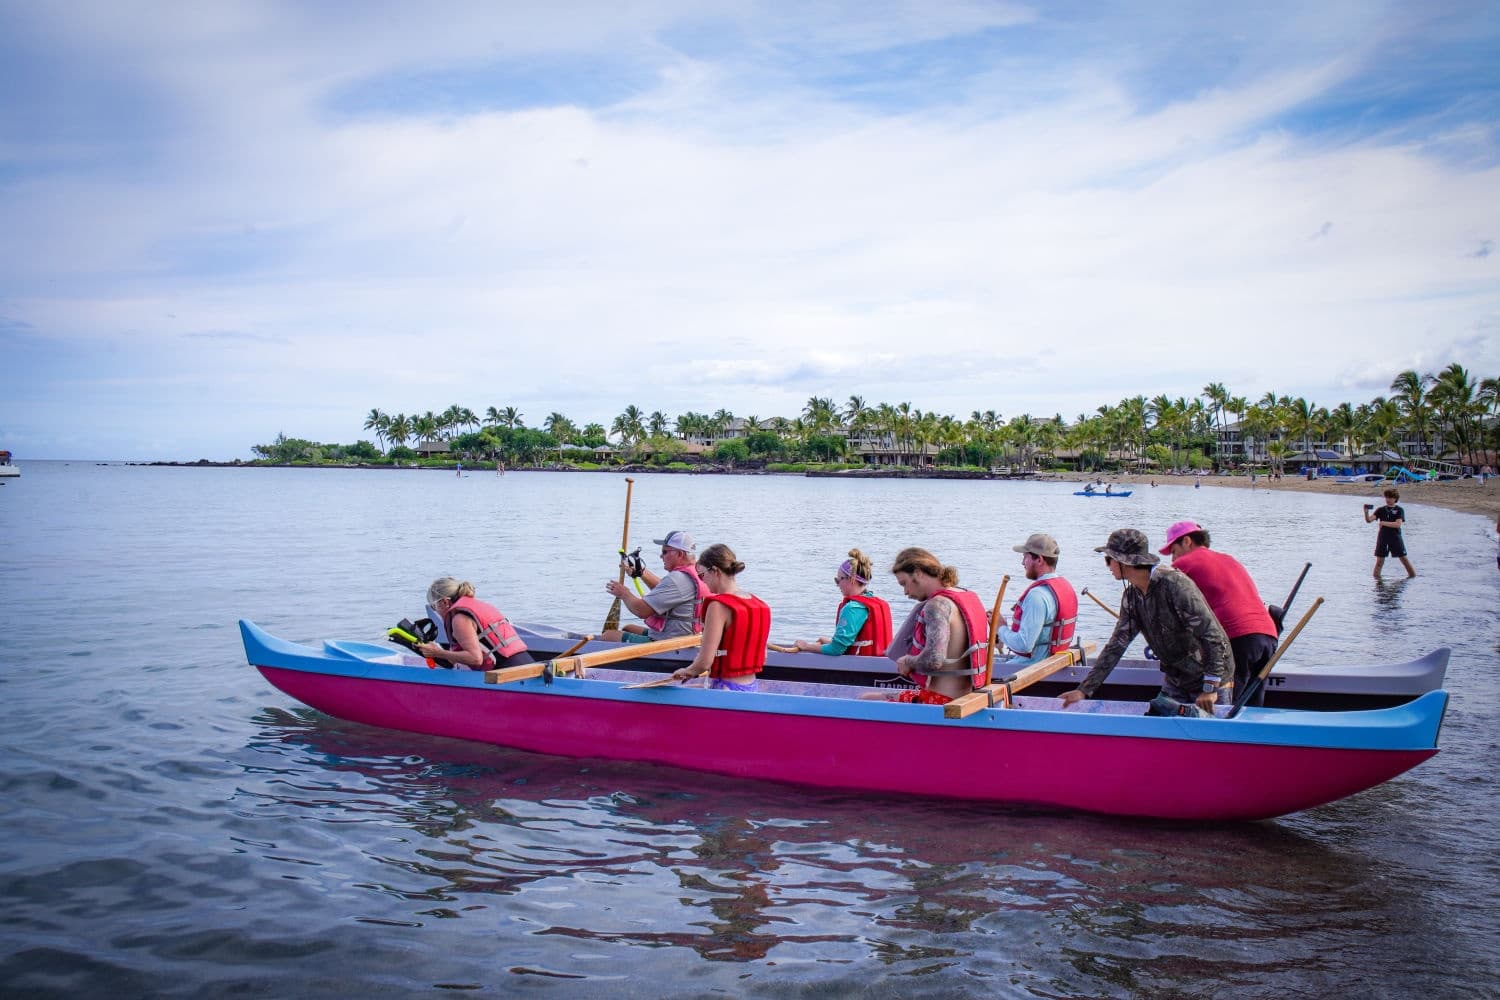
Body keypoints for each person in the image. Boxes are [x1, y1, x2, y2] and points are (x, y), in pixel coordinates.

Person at [1059, 529, 1233, 716]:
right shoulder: (1132, 596)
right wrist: (1084, 690)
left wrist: (1210, 688)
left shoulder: (1175, 585)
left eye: (1109, 559)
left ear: (1123, 561)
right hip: (1176, 678)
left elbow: (1213, 637)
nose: (1108, 566)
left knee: (1211, 735)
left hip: (1211, 677)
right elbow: (1117, 645)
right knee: (1162, 728)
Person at [1159, 520, 1278, 706]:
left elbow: (1161, 603)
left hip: (1237, 638)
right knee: (1252, 705)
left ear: (1187, 541)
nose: (1173, 559)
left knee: (1228, 705)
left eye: (1173, 551)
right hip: (1268, 636)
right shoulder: (1229, 559)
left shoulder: (1184, 564)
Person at [876, 548, 990, 705]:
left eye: (904, 583)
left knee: (866, 699)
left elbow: (934, 659)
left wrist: (907, 661)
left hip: (943, 701)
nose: (905, 592)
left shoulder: (937, 605)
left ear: (918, 573)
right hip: (970, 698)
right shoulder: (967, 595)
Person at [670, 544, 772, 690]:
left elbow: (705, 662)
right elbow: (764, 655)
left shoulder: (718, 606)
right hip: (752, 687)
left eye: (702, 575)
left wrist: (687, 672)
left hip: (726, 688)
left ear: (715, 571)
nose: (702, 580)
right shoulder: (760, 605)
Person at [602, 529, 709, 642]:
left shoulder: (677, 580)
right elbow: (663, 591)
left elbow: (641, 610)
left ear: (680, 554)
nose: (660, 556)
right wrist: (640, 572)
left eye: (665, 552)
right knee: (628, 628)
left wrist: (623, 593)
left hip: (671, 643)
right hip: (689, 636)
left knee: (607, 636)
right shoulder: (697, 572)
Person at [993, 533, 1078, 665]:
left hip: (1033, 669)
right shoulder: (1065, 587)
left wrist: (1000, 628)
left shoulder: (1037, 596)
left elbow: (1024, 645)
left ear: (1039, 560)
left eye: (1025, 557)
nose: (1022, 563)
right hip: (1052, 663)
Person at [415, 577, 533, 670]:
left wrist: (438, 653)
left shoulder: (459, 619)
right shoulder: (480, 605)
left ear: (445, 602)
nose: (434, 611)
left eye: (433, 606)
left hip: (509, 675)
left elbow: (476, 659)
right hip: (527, 666)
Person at [792, 548, 894, 655]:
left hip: (859, 668)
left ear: (852, 579)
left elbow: (836, 650)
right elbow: (854, 644)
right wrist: (826, 641)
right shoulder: (872, 603)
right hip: (877, 665)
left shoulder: (853, 608)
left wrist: (806, 646)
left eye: (838, 580)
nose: (837, 585)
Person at [1364, 488, 1417, 578]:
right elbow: (1369, 520)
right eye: (1387, 497)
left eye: (1390, 498)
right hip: (1383, 538)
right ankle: (1378, 583)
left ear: (1395, 498)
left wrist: (1383, 523)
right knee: (1379, 562)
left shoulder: (1399, 510)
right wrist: (1366, 512)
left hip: (1395, 537)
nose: (1388, 500)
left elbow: (1398, 524)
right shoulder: (1380, 510)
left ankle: (1412, 576)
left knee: (1404, 559)